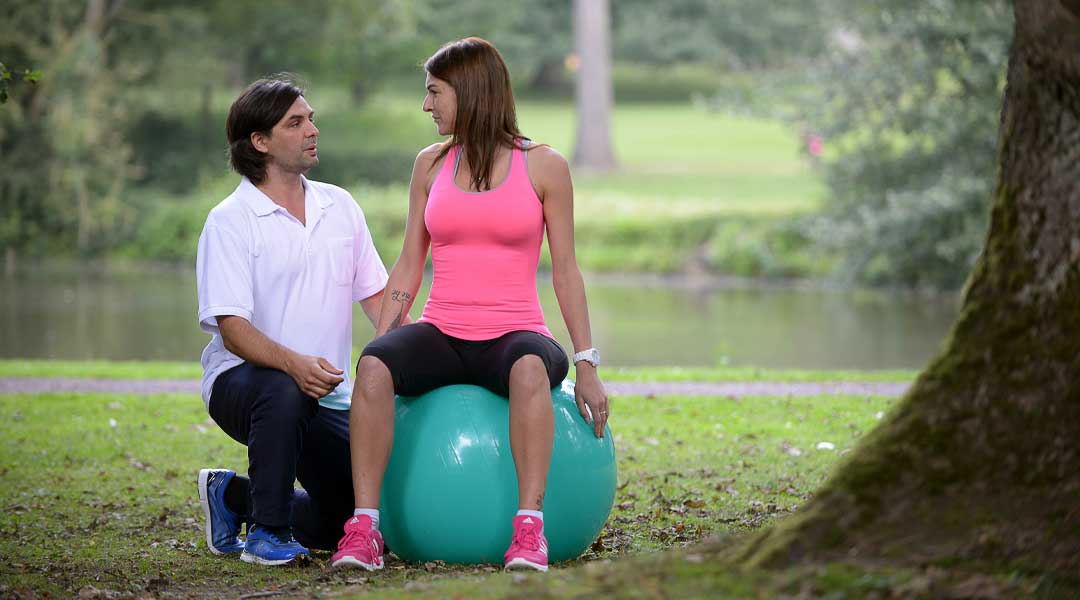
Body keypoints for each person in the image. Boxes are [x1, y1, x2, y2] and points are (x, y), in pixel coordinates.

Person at [330, 38, 609, 573]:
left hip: (517, 334)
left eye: (434, 92)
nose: (426, 104)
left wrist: (587, 363)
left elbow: (566, 270)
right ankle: (364, 527)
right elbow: (410, 262)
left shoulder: (544, 166)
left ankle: (529, 529)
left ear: (470, 92)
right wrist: (383, 341)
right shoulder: (430, 165)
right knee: (372, 367)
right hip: (444, 330)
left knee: (530, 368)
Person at [194, 77, 389, 566]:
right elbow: (233, 331)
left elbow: (381, 300)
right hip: (243, 386)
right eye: (296, 123)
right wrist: (295, 365)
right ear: (260, 142)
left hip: (328, 396)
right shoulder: (229, 220)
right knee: (284, 388)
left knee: (347, 517)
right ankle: (266, 534)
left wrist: (425, 345)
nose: (312, 130)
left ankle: (233, 497)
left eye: (311, 119)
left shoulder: (339, 205)